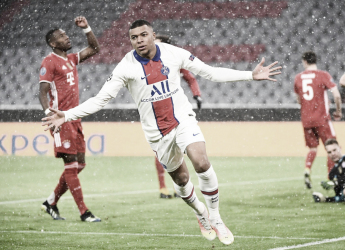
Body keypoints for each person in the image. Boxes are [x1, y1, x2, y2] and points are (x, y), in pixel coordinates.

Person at [42, 19, 281, 245]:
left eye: (144, 35)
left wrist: (250, 75)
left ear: (153, 36)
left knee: (201, 162)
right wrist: (67, 114)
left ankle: (216, 217)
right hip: (157, 135)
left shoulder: (172, 53)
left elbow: (209, 72)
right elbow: (100, 99)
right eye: (134, 37)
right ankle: (200, 212)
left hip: (183, 121)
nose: (139, 40)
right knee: (182, 180)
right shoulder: (126, 66)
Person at [38, 16, 101, 222]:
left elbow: (94, 48)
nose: (66, 37)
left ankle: (51, 201)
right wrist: (50, 116)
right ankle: (84, 212)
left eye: (66, 34)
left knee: (80, 164)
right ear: (53, 43)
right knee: (71, 165)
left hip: (75, 117)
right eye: (61, 37)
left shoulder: (72, 58)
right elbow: (42, 92)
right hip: (60, 120)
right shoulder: (49, 61)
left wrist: (86, 29)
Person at [154, 34, 202, 199]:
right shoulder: (145, 63)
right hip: (157, 114)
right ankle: (162, 188)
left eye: (157, 44)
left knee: (179, 150)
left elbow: (189, 77)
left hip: (176, 112)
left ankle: (177, 185)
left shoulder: (173, 60)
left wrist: (197, 95)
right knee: (162, 151)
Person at [293, 51, 342, 189]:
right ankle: (330, 178)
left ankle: (307, 169)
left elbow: (298, 100)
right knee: (332, 148)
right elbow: (337, 95)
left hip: (306, 120)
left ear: (304, 62)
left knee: (313, 148)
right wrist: (338, 111)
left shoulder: (298, 78)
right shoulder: (323, 75)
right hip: (322, 119)